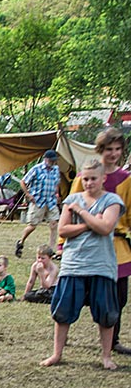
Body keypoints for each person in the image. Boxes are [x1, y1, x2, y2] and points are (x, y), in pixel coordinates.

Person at [41, 158, 125, 369]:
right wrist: (89, 224)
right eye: (85, 179)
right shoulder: (72, 199)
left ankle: (106, 356)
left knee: (106, 314)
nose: (89, 183)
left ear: (103, 178)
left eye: (93, 179)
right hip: (74, 264)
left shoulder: (112, 201)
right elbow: (63, 231)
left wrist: (81, 213)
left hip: (101, 265)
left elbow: (106, 227)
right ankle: (56, 354)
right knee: (63, 312)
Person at [69, 128, 131, 354]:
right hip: (84, 242)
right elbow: (70, 205)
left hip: (116, 244)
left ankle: (113, 340)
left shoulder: (126, 179)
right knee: (76, 293)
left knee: (118, 295)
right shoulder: (84, 176)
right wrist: (61, 244)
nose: (113, 154)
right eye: (109, 149)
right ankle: (64, 333)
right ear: (100, 150)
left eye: (117, 149)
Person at [16, 150, 61, 258]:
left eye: (54, 161)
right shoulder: (36, 169)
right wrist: (28, 194)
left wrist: (57, 193)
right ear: (46, 159)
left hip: (50, 201)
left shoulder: (55, 170)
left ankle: (50, 250)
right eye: (51, 160)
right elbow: (23, 182)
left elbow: (56, 183)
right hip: (38, 201)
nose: (53, 162)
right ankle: (21, 241)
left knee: (54, 224)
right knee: (32, 226)